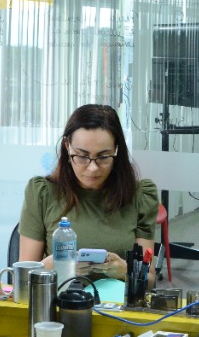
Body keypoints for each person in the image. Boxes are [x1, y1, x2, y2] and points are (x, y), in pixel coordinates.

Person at [19, 104, 159, 282]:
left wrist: (126, 270)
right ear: (67, 147)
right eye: (82, 156)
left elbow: (150, 279)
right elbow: (24, 278)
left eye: (103, 157)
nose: (92, 168)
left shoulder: (140, 196)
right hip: (58, 304)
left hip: (116, 307)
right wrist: (55, 266)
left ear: (117, 150)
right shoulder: (43, 193)